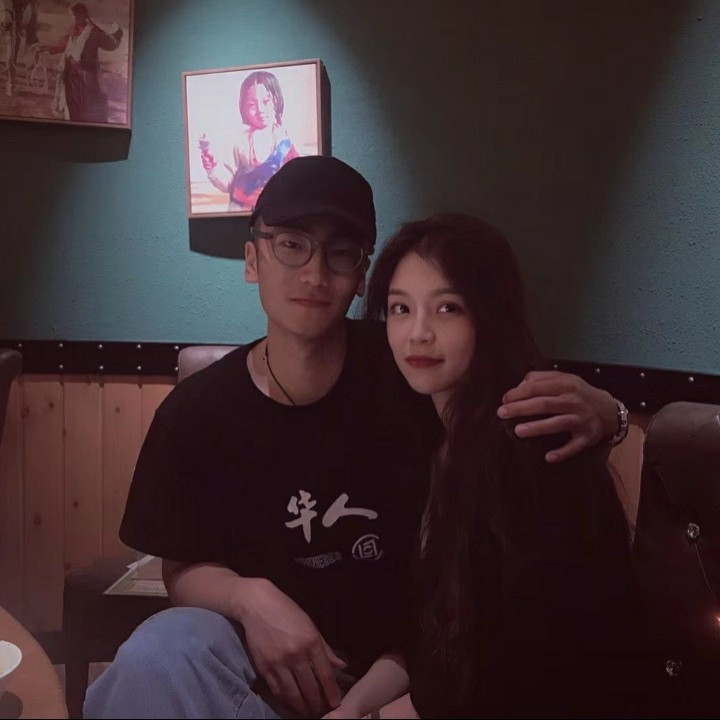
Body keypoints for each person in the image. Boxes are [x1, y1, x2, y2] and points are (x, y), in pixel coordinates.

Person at [84, 157, 626, 719]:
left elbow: (508, 422)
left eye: (340, 252)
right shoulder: (196, 413)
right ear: (251, 258)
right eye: (291, 244)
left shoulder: (412, 375)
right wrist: (251, 598)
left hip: (403, 678)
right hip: (258, 673)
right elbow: (179, 569)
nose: (314, 274)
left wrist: (610, 414)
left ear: (362, 274)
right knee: (157, 655)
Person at [326, 214, 648, 719]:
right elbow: (421, 641)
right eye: (400, 308)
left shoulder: (526, 447)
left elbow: (510, 670)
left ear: (489, 316)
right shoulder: (427, 441)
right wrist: (352, 710)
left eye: (447, 308)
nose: (418, 333)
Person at [199, 69, 298, 212]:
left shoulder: (285, 142)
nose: (260, 109)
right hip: (239, 210)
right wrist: (212, 168)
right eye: (252, 104)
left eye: (266, 101)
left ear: (277, 100)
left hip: (272, 213)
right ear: (243, 107)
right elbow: (228, 184)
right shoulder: (239, 142)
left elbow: (296, 181)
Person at [52, 2, 123, 123]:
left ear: (84, 15)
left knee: (87, 107)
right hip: (71, 76)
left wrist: (117, 33)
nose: (75, 19)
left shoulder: (94, 32)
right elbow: (64, 45)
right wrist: (46, 48)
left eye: (77, 16)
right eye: (73, 16)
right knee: (71, 105)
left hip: (87, 78)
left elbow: (110, 44)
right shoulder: (73, 30)